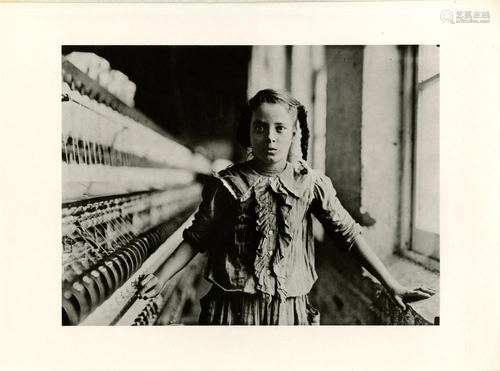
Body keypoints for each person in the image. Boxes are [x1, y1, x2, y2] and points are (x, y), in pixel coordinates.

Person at [138, 88, 435, 325]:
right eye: (260, 127)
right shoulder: (226, 184)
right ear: (248, 133)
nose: (270, 137)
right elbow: (196, 238)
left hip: (287, 311)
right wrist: (161, 278)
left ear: (295, 133)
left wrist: (391, 283)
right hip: (232, 310)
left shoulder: (311, 184)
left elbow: (348, 234)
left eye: (280, 128)